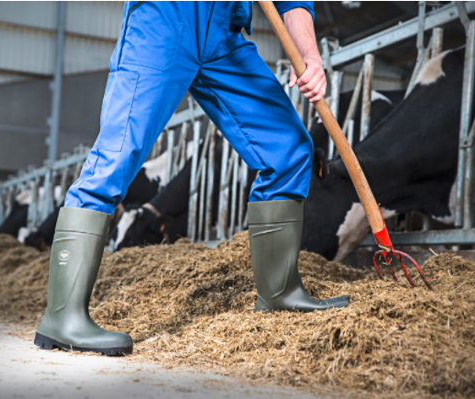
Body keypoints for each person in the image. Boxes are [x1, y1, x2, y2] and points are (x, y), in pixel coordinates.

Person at [34, 1, 350, 357]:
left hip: (222, 34)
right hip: (164, 19)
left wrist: (309, 55)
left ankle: (281, 293)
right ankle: (63, 318)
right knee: (116, 158)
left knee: (289, 150)